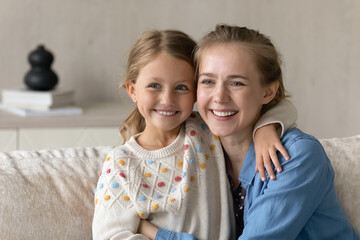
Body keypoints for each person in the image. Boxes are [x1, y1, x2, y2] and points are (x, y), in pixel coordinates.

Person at [92, 29, 297, 240]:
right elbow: (110, 235)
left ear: (196, 92)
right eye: (154, 86)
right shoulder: (122, 164)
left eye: (181, 87)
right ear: (132, 90)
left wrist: (267, 127)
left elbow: (281, 106)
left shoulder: (204, 129)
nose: (167, 99)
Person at [193, 24, 359, 239]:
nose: (219, 96)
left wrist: (154, 233)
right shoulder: (198, 148)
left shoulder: (298, 155)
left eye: (236, 83)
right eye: (207, 81)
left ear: (268, 91)